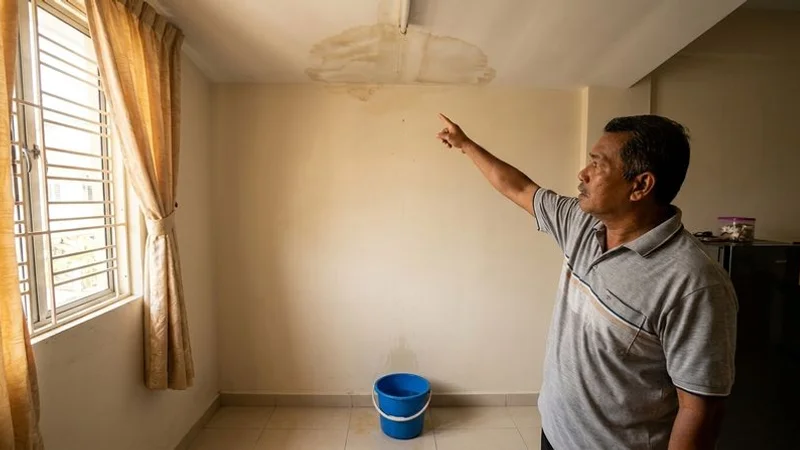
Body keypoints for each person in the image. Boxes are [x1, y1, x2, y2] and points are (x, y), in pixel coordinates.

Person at [435, 114, 737, 450]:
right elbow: (518, 187)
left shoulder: (694, 283)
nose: (583, 174)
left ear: (640, 185)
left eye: (597, 164)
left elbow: (699, 409)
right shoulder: (581, 224)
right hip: (555, 432)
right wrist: (465, 144)